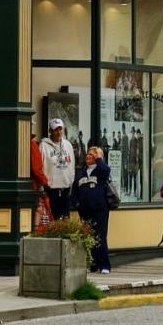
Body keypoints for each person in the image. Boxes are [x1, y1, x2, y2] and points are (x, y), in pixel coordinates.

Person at [71, 146, 111, 274]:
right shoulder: (81, 173)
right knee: (88, 237)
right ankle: (92, 264)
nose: (89, 156)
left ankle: (104, 265)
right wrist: (77, 204)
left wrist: (99, 158)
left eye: (92, 155)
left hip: (99, 209)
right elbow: (74, 191)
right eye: (88, 154)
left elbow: (106, 169)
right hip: (85, 211)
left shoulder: (101, 171)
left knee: (100, 236)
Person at [39, 117, 75, 219]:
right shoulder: (44, 146)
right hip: (51, 189)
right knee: (52, 219)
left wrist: (70, 182)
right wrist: (43, 187)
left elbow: (72, 165)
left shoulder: (68, 145)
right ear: (50, 131)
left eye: (60, 129)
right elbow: (40, 166)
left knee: (65, 219)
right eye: (55, 129)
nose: (58, 132)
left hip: (65, 188)